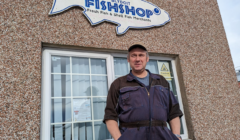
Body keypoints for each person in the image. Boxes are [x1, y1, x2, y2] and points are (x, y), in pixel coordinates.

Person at [103, 44, 183, 140]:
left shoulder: (161, 81)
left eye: (141, 55)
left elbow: (173, 112)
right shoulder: (119, 84)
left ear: (147, 59)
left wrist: (177, 136)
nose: (137, 59)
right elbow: (110, 115)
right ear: (128, 59)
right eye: (133, 55)